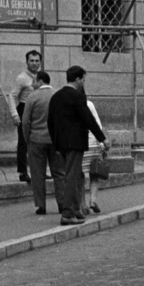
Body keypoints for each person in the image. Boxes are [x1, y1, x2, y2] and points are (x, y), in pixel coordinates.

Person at [47, 65, 106, 226]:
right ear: (78, 79)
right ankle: (68, 213)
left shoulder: (56, 97)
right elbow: (88, 119)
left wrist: (55, 142)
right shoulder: (77, 97)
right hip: (76, 143)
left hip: (61, 143)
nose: (83, 83)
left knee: (76, 174)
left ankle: (77, 209)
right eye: (83, 80)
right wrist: (102, 139)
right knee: (73, 177)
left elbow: (50, 122)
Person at [21, 71, 56, 217]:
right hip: (55, 140)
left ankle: (41, 206)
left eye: (34, 81)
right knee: (59, 173)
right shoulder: (56, 95)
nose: (32, 84)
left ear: (40, 82)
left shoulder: (32, 97)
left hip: (36, 139)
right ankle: (61, 203)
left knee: (37, 174)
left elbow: (25, 121)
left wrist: (26, 138)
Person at [7, 48, 42, 184]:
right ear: (27, 62)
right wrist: (15, 115)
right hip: (24, 109)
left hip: (38, 110)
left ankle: (39, 171)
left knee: (39, 142)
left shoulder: (41, 76)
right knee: (23, 142)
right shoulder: (21, 78)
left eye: (37, 61)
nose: (34, 63)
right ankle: (23, 172)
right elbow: (12, 95)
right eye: (31, 61)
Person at [82, 95, 105, 215]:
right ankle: (92, 200)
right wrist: (102, 141)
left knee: (80, 175)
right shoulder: (89, 104)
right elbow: (97, 125)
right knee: (94, 173)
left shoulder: (70, 105)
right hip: (93, 142)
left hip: (79, 143)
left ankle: (82, 204)